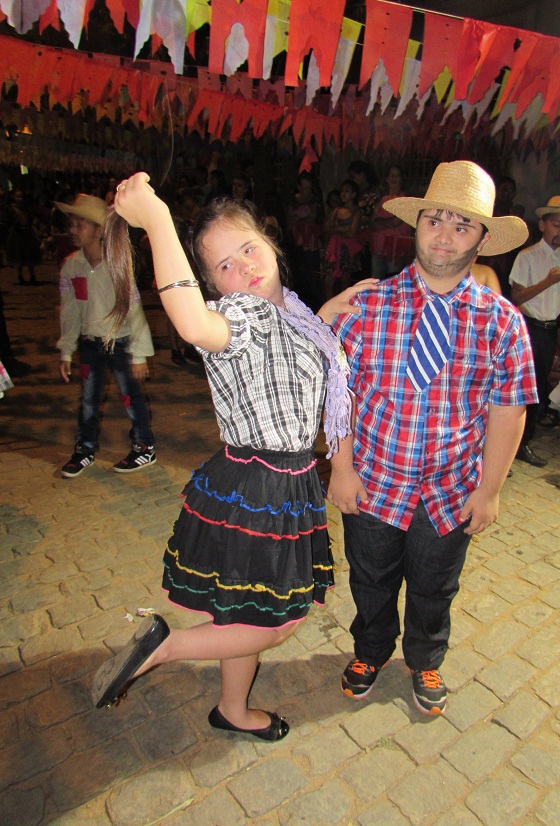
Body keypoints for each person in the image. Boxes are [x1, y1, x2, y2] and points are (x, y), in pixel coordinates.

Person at [91, 172, 377, 741]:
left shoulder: (292, 313)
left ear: (270, 242)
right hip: (262, 486)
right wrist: (157, 225)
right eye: (224, 266)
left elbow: (293, 356)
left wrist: (327, 315)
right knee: (278, 622)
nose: (243, 266)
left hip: (270, 481)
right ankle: (163, 647)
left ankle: (232, 710)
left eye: (248, 248)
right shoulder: (241, 318)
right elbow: (195, 322)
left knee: (246, 610)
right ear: (212, 284)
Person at [327, 161, 537, 716]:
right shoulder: (367, 305)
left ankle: (425, 657)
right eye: (435, 220)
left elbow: (508, 412)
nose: (445, 235)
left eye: (462, 226)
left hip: (450, 489)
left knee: (435, 586)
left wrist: (490, 490)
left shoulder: (502, 322)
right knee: (371, 580)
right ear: (416, 224)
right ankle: (371, 649)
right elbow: (338, 395)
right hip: (373, 481)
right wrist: (341, 469)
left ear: (483, 239)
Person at [56, 194, 156, 478]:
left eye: (81, 224)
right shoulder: (71, 266)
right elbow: (70, 310)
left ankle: (144, 445)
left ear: (100, 230)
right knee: (88, 398)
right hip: (90, 343)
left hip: (122, 341)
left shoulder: (117, 264)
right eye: (72, 224)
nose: (73, 229)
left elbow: (134, 308)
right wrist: (66, 349)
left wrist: (139, 353)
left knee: (131, 395)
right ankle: (84, 448)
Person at [509, 195, 560, 467]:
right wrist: (548, 281)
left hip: (549, 330)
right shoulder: (527, 256)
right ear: (543, 225)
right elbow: (517, 297)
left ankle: (522, 442)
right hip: (529, 327)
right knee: (522, 388)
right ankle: (513, 444)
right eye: (557, 225)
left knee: (537, 388)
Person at [369, 165, 412, 279]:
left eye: (397, 176)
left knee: (393, 282)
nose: (394, 178)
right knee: (376, 282)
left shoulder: (405, 200)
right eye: (392, 175)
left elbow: (396, 222)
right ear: (387, 179)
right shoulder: (383, 199)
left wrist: (380, 222)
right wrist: (382, 222)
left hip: (395, 249)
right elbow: (372, 223)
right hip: (379, 247)